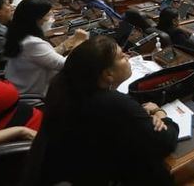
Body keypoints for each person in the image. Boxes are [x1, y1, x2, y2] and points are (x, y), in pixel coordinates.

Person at [32, 36, 178, 185]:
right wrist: (160, 113)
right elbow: (166, 142)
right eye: (122, 56)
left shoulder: (68, 89)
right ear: (108, 74)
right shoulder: (112, 102)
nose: (128, 57)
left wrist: (136, 117)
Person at [4, 0, 88, 96]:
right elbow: (67, 65)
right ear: (36, 19)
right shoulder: (32, 43)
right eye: (48, 15)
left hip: (23, 88)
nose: (51, 19)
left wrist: (66, 44)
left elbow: (46, 55)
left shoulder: (20, 35)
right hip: (33, 96)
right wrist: (80, 42)